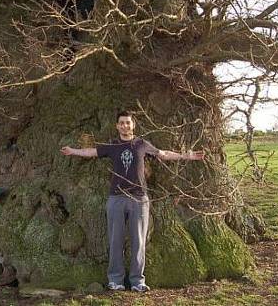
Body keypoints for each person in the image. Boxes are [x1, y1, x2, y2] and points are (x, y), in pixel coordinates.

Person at [60, 110, 204, 292]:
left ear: (133, 125)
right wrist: (73, 151)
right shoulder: (112, 145)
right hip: (116, 198)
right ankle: (115, 280)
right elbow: (92, 152)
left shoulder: (142, 144)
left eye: (128, 122)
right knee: (115, 241)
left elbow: (164, 154)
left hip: (139, 198)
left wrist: (186, 156)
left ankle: (137, 281)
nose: (125, 125)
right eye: (121, 123)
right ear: (117, 126)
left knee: (139, 241)